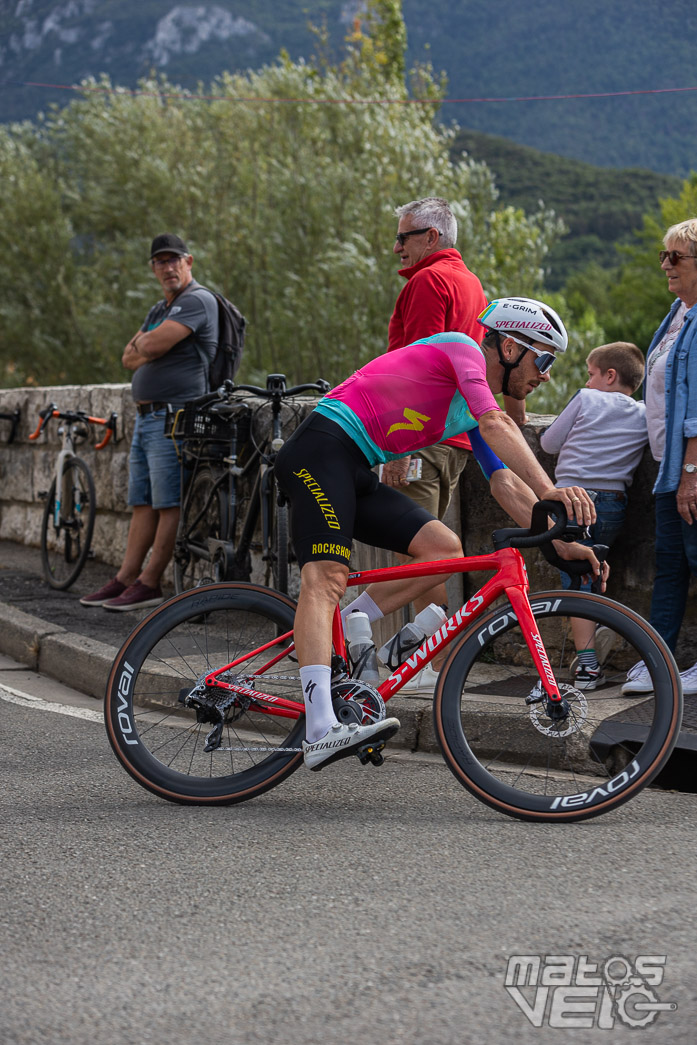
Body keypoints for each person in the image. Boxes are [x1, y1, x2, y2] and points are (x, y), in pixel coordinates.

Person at [275, 296, 604, 772]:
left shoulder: (472, 405)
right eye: (544, 358)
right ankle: (321, 727)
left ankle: (348, 621)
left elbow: (503, 481)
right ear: (510, 347)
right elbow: (497, 424)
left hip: (353, 467)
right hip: (319, 453)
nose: (546, 374)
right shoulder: (461, 350)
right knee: (326, 577)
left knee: (442, 548)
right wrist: (553, 492)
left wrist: (558, 536)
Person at [381, 196, 523, 688]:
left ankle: (427, 666)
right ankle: (433, 662)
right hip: (456, 437)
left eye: (404, 237)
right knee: (435, 545)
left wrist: (396, 446)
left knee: (422, 551)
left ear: (431, 237)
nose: (396, 246)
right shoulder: (470, 282)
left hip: (422, 432)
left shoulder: (428, 281)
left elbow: (414, 366)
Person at [80, 233, 219, 611]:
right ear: (153, 268)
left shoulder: (198, 300)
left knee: (168, 502)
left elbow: (149, 348)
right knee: (142, 501)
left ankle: (150, 582)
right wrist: (148, 341)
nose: (168, 267)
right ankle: (126, 578)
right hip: (147, 417)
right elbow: (127, 358)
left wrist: (147, 343)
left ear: (189, 261)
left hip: (173, 417)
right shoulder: (160, 308)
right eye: (160, 261)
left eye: (174, 259)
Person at [540, 342, 648, 689]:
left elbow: (548, 444)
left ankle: (587, 667)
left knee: (576, 580)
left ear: (609, 375)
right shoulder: (644, 413)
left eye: (591, 375)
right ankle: (599, 630)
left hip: (572, 502)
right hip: (614, 503)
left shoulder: (586, 399)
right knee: (596, 571)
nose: (587, 382)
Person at [622, 218, 697, 695]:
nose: (666, 265)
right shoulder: (678, 313)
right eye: (664, 255)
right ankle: (657, 661)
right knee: (671, 563)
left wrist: (691, 471)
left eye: (677, 257)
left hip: (689, 468)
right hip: (670, 468)